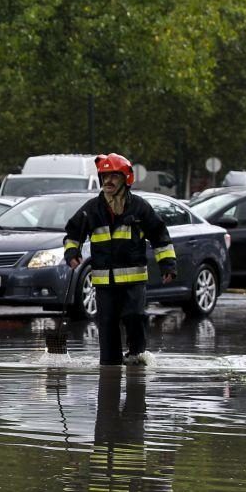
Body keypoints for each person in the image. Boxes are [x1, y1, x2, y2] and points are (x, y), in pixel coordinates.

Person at [63, 153, 177, 365]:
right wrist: (72, 253)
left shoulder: (140, 208)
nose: (108, 181)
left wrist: (167, 265)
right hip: (104, 282)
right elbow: (72, 234)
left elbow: (160, 236)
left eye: (114, 176)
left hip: (134, 281)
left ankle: (137, 356)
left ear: (126, 179)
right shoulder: (91, 210)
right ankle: (110, 365)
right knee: (107, 324)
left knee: (134, 316)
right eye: (105, 176)